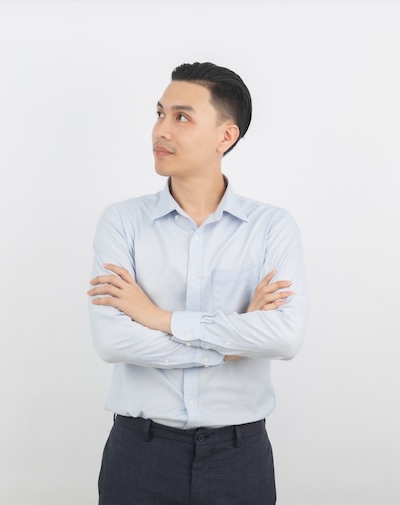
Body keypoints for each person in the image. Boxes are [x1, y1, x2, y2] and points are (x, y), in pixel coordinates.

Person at [86, 62, 308, 505]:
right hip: (140, 454)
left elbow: (284, 336)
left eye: (181, 117)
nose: (161, 130)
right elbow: (113, 341)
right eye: (159, 113)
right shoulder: (122, 223)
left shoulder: (271, 227)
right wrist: (235, 338)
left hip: (239, 458)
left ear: (226, 136)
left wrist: (158, 317)